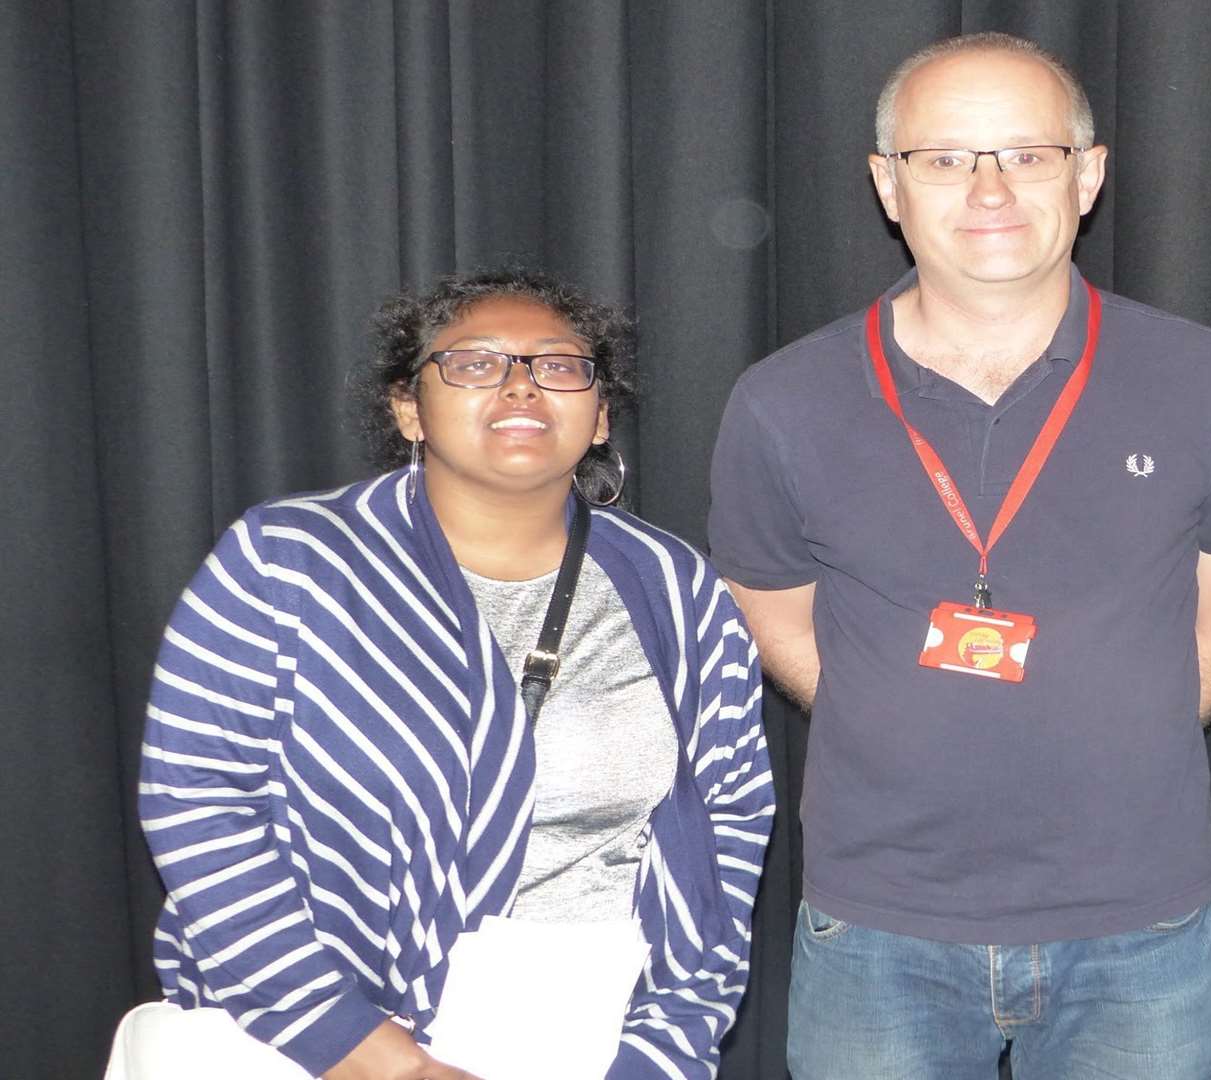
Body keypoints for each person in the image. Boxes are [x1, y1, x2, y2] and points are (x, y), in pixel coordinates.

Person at [707, 31, 1211, 1080]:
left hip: (1139, 923)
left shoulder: (1208, 380)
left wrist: (1126, 722)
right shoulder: (783, 400)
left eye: (1026, 154)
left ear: (1089, 174)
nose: (988, 188)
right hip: (878, 925)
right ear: (889, 185)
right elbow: (771, 608)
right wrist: (897, 720)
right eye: (945, 159)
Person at [122, 268, 772, 1080]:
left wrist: (664, 1046)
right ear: (408, 408)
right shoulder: (288, 562)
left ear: (600, 415)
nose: (521, 387)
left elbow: (731, 824)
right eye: (473, 363)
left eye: (558, 365)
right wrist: (374, 1057)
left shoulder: (674, 588)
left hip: (590, 1022)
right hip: (312, 1030)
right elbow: (199, 802)